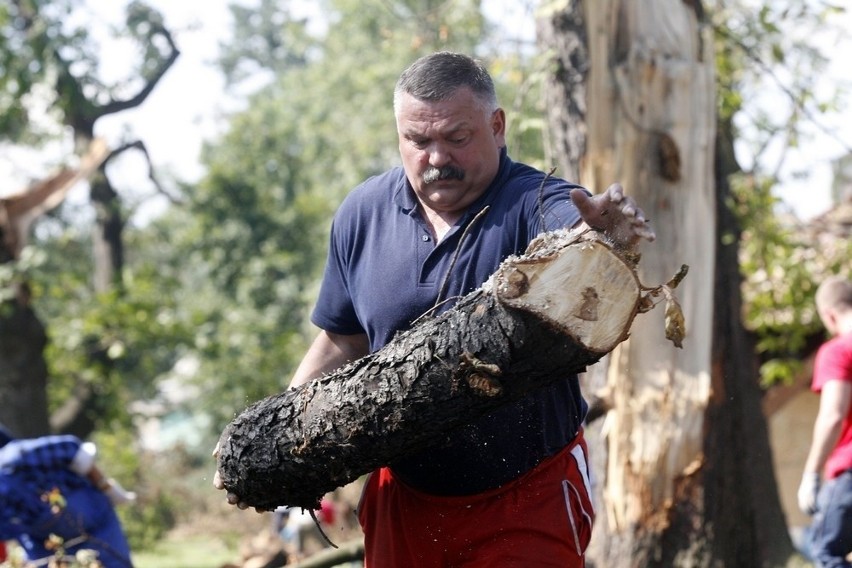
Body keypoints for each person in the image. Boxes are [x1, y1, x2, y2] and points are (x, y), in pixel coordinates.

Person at [215, 51, 655, 567]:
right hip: (404, 496)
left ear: (497, 127)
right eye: (418, 141)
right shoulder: (363, 214)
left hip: (526, 495)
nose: (436, 157)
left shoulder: (534, 201)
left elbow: (571, 239)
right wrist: (286, 437)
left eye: (456, 137)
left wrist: (600, 239)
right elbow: (344, 338)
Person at [0, 425, 136, 568]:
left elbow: (72, 449)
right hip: (42, 542)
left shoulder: (17, 456)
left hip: (97, 526)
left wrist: (105, 486)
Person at [798, 275, 852, 567]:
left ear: (829, 315)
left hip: (850, 471)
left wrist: (811, 474)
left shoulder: (838, 350)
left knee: (826, 552)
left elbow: (833, 415)